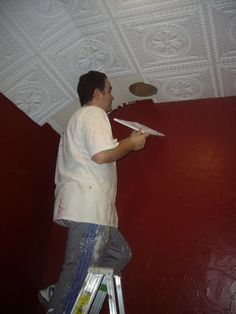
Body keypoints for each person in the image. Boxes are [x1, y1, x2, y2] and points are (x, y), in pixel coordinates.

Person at [45, 70, 149, 313]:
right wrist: (132, 144)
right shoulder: (93, 113)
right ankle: (62, 301)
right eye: (110, 90)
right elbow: (102, 154)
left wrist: (124, 145)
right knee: (77, 276)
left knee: (120, 253)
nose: (112, 96)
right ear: (96, 93)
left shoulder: (77, 121)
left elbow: (99, 153)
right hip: (89, 210)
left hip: (95, 211)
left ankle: (58, 291)